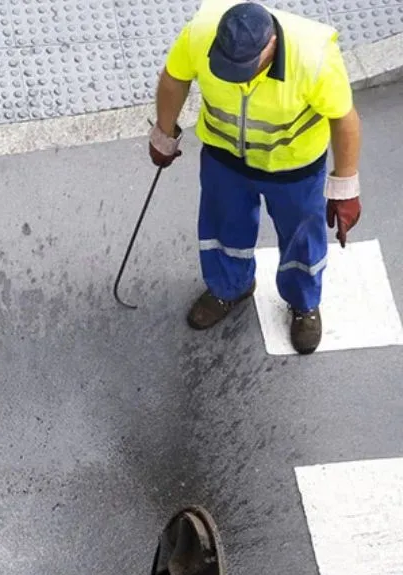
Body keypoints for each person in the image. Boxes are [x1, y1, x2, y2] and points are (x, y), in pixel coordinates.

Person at [149, 0, 362, 354]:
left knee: (301, 241)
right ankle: (229, 287)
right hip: (224, 157)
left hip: (293, 168)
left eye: (243, 68)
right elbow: (174, 79)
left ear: (271, 47)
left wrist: (344, 187)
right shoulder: (201, 33)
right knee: (221, 229)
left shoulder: (313, 58)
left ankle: (303, 302)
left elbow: (344, 120)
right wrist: (164, 134)